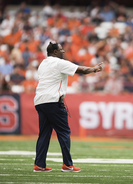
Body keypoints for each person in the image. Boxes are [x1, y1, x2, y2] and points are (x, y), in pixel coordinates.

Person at [33, 41, 103, 173]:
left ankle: (39, 164)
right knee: (64, 132)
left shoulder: (43, 63)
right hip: (53, 101)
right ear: (55, 52)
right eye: (61, 49)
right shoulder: (59, 63)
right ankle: (67, 164)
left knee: (44, 134)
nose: (63, 51)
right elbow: (81, 70)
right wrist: (94, 69)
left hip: (40, 101)